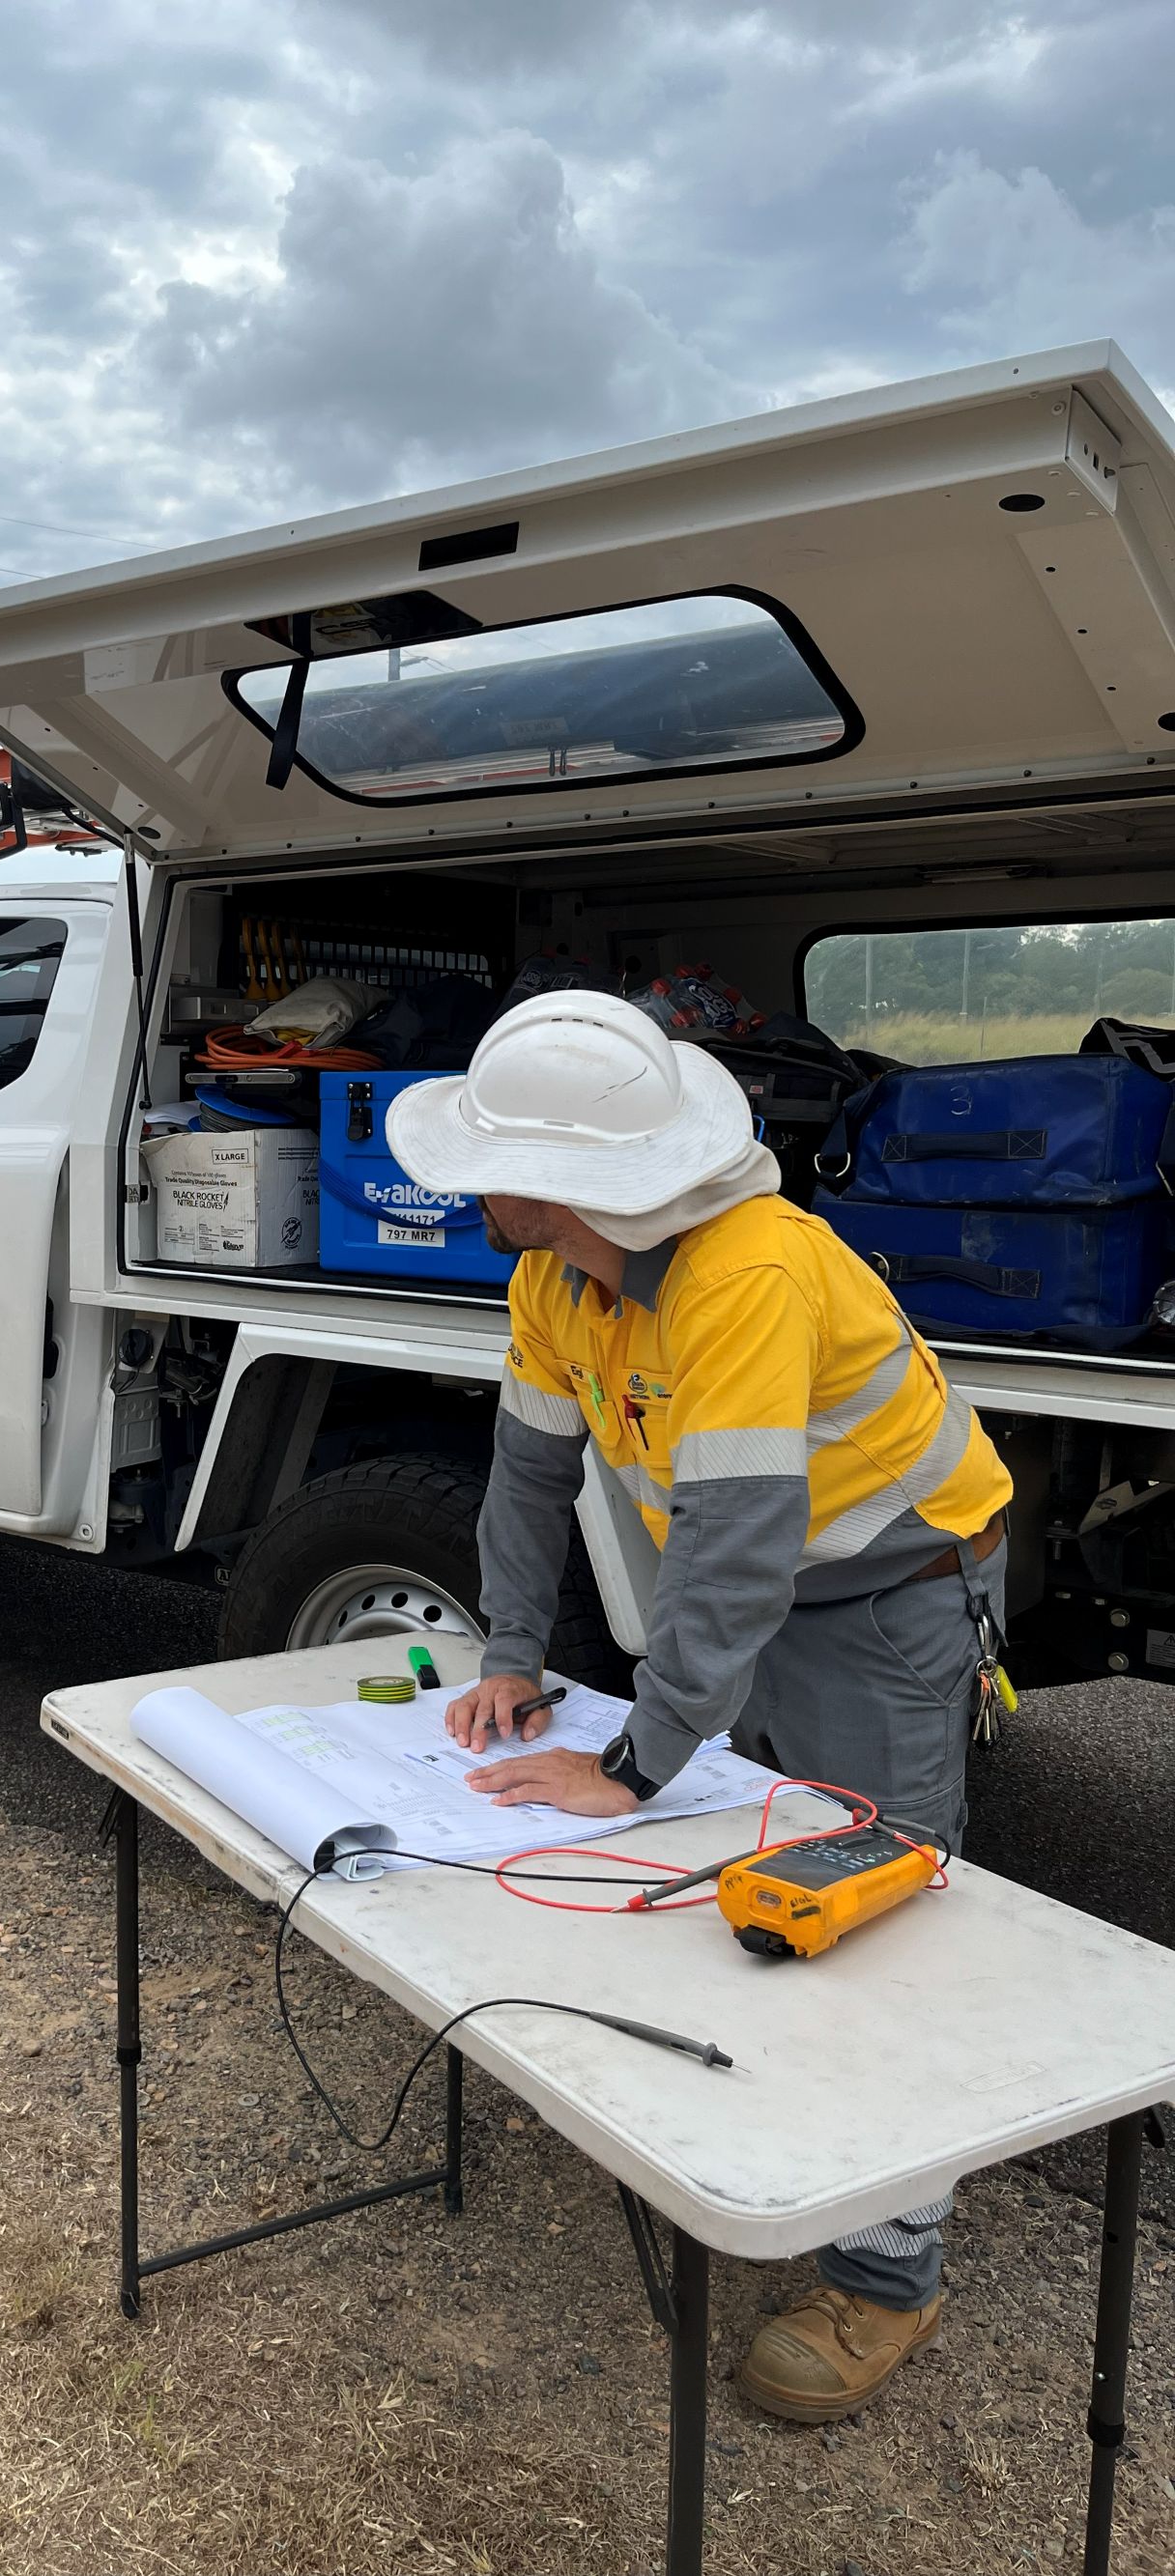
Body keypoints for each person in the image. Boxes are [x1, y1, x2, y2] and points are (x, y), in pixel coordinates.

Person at [387, 989, 1013, 2425]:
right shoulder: (559, 1275)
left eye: (489, 1161)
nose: (469, 1185)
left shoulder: (747, 1275)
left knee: (881, 1917)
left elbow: (732, 1540)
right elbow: (533, 1479)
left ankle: (887, 2273)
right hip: (781, 1590)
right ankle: (787, 2135)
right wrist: (505, 1656)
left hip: (892, 1599)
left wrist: (637, 1760)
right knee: (743, 1883)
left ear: (560, 1184)